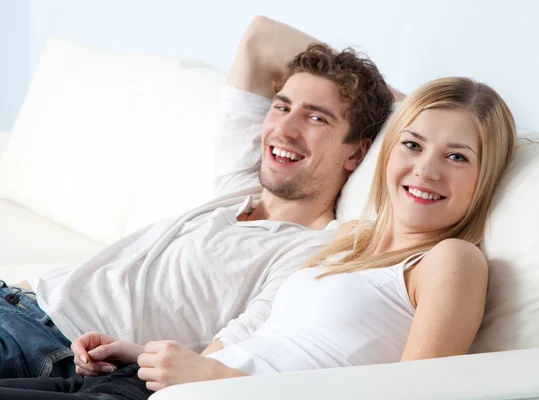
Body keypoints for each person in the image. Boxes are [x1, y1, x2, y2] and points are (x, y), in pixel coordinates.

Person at [0, 74, 517, 399]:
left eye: (456, 156)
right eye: (412, 143)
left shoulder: (450, 260)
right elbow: (242, 339)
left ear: (484, 175)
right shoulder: (351, 243)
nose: (425, 170)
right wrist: (140, 353)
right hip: (150, 382)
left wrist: (214, 381)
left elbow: (414, 395)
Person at [0, 16, 396, 379]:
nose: (285, 129)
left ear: (357, 154)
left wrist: (403, 110)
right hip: (16, 298)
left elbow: (224, 354)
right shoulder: (239, 188)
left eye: (316, 118)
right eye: (282, 106)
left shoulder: (310, 251)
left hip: (51, 344)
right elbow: (260, 38)